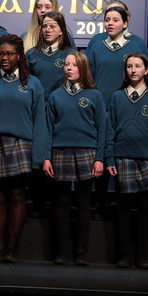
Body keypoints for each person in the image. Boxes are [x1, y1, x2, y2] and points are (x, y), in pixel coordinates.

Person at [0, 34, 47, 263]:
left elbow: (40, 122)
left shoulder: (32, 83)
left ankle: (12, 249)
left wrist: (38, 157)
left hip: (21, 145)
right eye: (1, 54)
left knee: (16, 195)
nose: (4, 58)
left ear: (19, 57)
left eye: (9, 54)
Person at [42, 51, 106, 266]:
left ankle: (81, 252)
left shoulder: (94, 95)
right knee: (61, 202)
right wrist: (46, 157)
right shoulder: (55, 95)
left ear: (83, 69)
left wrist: (99, 158)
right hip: (59, 152)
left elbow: (102, 129)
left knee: (83, 202)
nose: (69, 68)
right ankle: (62, 251)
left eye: (74, 65)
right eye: (67, 64)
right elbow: (48, 128)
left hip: (86, 152)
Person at [106, 53, 148, 269]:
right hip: (122, 156)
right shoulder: (117, 97)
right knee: (122, 206)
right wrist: (110, 157)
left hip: (146, 158)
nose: (133, 70)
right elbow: (110, 129)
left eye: (138, 66)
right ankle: (123, 255)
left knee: (143, 205)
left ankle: (142, 255)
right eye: (129, 66)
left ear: (146, 70)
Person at [86, 3, 148, 219]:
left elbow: (144, 74)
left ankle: (122, 204)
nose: (110, 23)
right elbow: (89, 75)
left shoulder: (137, 43)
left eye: (114, 20)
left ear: (125, 22)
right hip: (100, 105)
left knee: (121, 154)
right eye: (107, 20)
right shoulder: (96, 42)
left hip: (126, 106)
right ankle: (100, 203)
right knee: (101, 153)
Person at [25, 10, 76, 97]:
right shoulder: (31, 54)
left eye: (52, 27)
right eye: (44, 26)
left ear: (61, 31)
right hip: (36, 104)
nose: (47, 30)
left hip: (60, 105)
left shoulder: (71, 54)